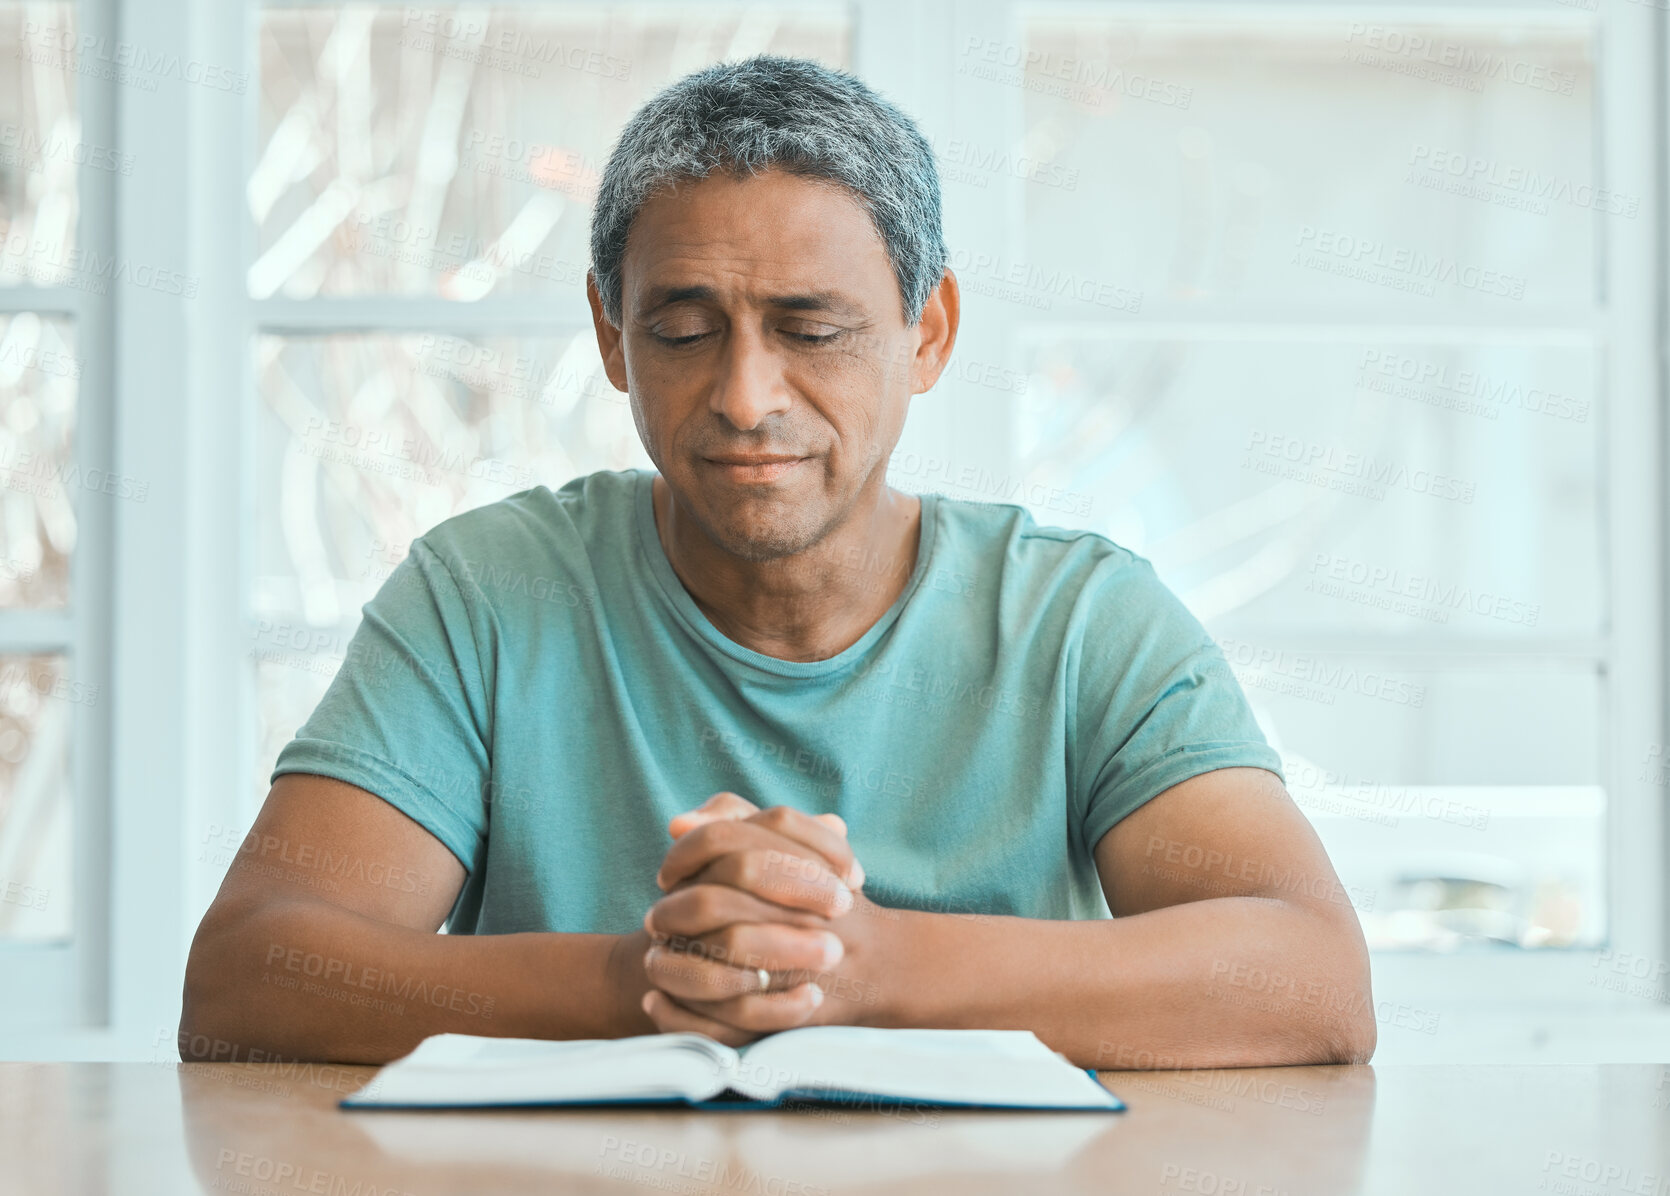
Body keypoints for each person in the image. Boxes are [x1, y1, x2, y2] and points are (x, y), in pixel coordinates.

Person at [180, 55, 1373, 1069]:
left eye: (812, 331)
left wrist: (866, 964)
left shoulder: (1076, 617)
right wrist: (643, 978)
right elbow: (247, 973)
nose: (747, 398)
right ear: (610, 335)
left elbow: (1310, 978)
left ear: (929, 333)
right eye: (684, 332)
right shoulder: (485, 595)